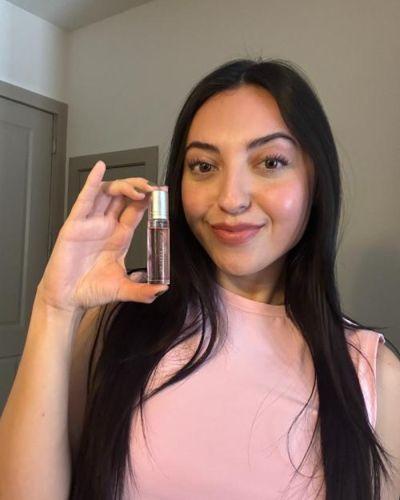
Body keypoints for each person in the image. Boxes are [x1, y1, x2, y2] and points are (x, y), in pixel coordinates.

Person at [0, 58, 399, 500]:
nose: (230, 199)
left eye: (270, 161)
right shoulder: (123, 319)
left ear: (315, 181)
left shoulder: (374, 376)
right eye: (204, 166)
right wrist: (55, 306)